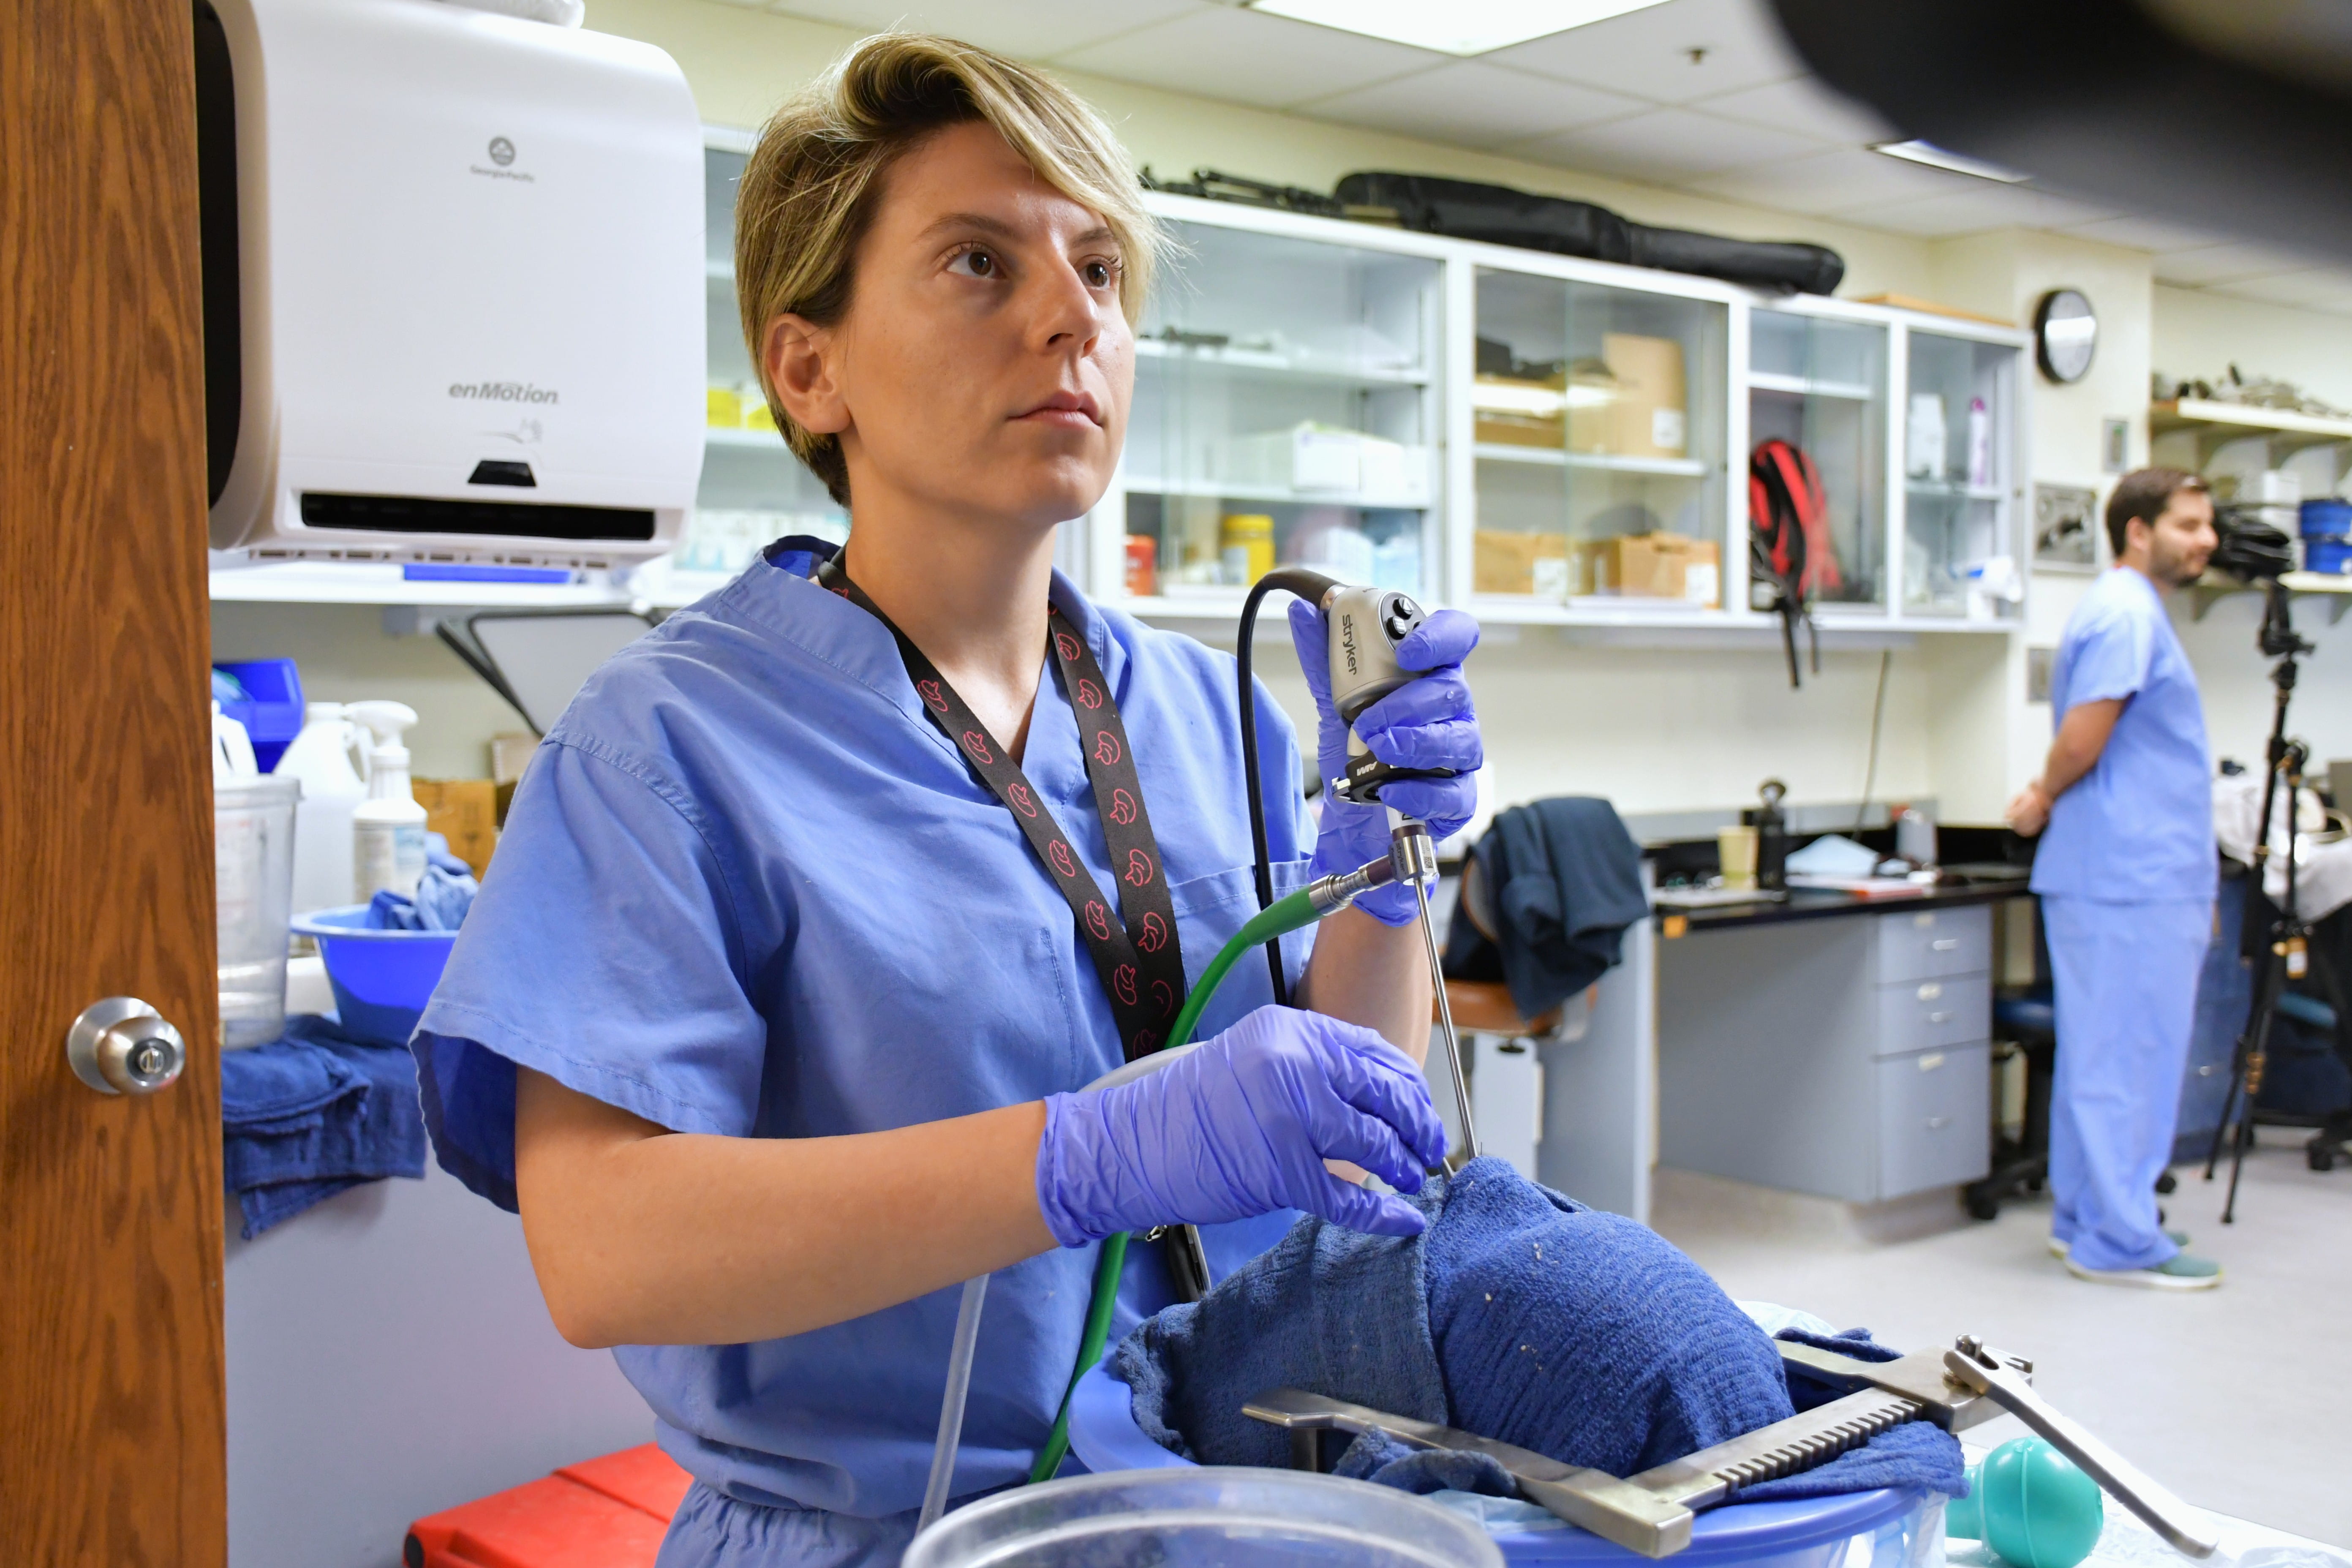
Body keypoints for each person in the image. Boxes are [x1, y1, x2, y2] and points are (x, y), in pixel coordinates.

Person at [408, 33, 1484, 1568]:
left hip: (1225, 1512)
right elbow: (602, 1253)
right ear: (807, 366)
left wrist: (1382, 863)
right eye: (980, 263)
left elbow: (1343, 1128)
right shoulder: (669, 743)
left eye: (1102, 272)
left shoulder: (1209, 711)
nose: (1071, 318)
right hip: (881, 1535)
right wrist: (1081, 1157)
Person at [2006, 468, 2220, 1290]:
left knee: (2102, 1055)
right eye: (2190, 523)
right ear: (2139, 530)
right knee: (2133, 1056)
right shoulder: (2131, 612)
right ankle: (2121, 1238)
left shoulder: (2114, 607)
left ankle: (2085, 1219)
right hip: (2134, 873)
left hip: (2117, 870)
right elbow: (2086, 735)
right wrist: (2043, 792)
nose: (2206, 539)